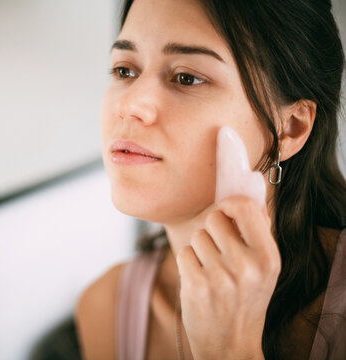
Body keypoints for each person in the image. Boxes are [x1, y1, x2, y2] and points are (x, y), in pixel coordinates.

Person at [75, 0, 346, 359]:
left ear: (290, 128)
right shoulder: (105, 308)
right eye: (125, 71)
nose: (130, 104)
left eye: (187, 77)